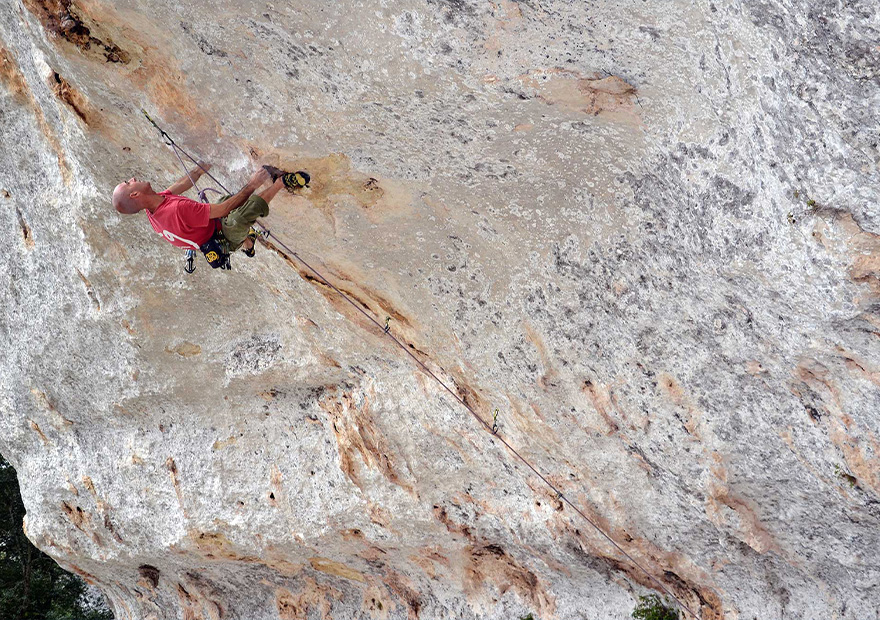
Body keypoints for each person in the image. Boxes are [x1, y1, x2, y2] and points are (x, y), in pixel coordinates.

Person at [112, 163, 309, 260]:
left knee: (231, 201)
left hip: (211, 229)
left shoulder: (153, 206)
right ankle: (282, 183)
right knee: (241, 214)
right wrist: (254, 183)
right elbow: (226, 209)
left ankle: (248, 243)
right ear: (135, 194)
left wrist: (202, 166)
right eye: (129, 183)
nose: (133, 178)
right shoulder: (176, 210)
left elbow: (181, 184)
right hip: (221, 235)